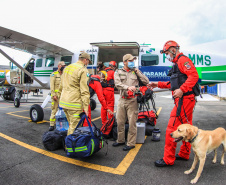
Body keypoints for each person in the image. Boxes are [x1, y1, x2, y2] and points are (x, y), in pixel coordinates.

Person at [147, 40, 199, 167]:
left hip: (184, 100)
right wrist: (157, 84)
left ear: (173, 50)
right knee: (188, 129)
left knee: (172, 128)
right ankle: (184, 154)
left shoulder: (182, 60)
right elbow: (173, 84)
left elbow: (194, 76)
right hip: (186, 100)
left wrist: (182, 90)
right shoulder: (177, 64)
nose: (167, 56)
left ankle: (168, 159)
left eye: (167, 53)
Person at [113, 54, 149, 151]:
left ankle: (131, 143)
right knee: (120, 122)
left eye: (133, 60)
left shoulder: (136, 72)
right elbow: (117, 84)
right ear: (125, 62)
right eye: (130, 60)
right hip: (122, 99)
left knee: (132, 123)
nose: (132, 62)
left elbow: (146, 81)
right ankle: (120, 140)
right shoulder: (118, 71)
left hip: (133, 100)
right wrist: (127, 87)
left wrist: (138, 72)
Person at [58, 52, 90, 135]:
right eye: (88, 61)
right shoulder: (83, 70)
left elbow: (61, 86)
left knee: (70, 125)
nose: (88, 63)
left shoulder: (67, 68)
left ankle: (69, 144)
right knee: (75, 127)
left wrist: (59, 99)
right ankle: (70, 146)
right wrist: (86, 107)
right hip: (74, 104)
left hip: (64, 102)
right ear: (85, 60)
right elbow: (84, 90)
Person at [49, 61, 66, 131]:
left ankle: (61, 125)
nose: (64, 67)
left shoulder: (64, 75)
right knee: (54, 110)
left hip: (63, 96)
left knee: (63, 111)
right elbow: (52, 86)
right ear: (59, 66)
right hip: (56, 96)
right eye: (62, 66)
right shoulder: (54, 74)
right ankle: (52, 125)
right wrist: (53, 95)